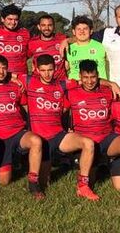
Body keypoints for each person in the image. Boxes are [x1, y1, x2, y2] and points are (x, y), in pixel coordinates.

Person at [26, 55, 100, 201]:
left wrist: (111, 84)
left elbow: (87, 80)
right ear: (36, 70)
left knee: (88, 143)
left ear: (55, 69)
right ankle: (33, 183)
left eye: (50, 70)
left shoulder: (62, 85)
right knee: (44, 182)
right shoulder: (28, 81)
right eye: (43, 70)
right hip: (40, 140)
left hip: (59, 136)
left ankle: (83, 186)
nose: (47, 74)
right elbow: (2, 75)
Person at [67, 59, 120, 202]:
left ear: (98, 75)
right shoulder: (71, 93)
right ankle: (83, 183)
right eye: (86, 78)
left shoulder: (107, 91)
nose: (90, 81)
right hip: (85, 143)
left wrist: (112, 84)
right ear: (80, 78)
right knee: (91, 180)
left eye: (93, 77)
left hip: (107, 139)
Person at [0, 55, 46, 199]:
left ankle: (33, 183)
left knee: (36, 141)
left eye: (4, 68)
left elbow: (25, 107)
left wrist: (30, 126)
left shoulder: (16, 86)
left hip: (17, 133)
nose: (1, 72)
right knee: (5, 181)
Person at [0, 4, 30, 76]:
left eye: (16, 20)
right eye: (10, 19)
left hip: (20, 77)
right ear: (2, 19)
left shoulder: (25, 33)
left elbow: (29, 53)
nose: (13, 23)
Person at [63, 15, 107, 81]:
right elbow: (65, 69)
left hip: (98, 87)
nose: (82, 31)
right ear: (74, 32)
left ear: (91, 31)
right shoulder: (68, 49)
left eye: (85, 29)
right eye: (79, 29)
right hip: (76, 88)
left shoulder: (101, 46)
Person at [27, 13, 67, 81]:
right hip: (39, 83)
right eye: (43, 25)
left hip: (60, 82)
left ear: (54, 26)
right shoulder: (32, 42)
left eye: (50, 25)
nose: (47, 28)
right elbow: (21, 58)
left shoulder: (62, 39)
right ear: (39, 27)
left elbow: (78, 39)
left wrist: (67, 40)